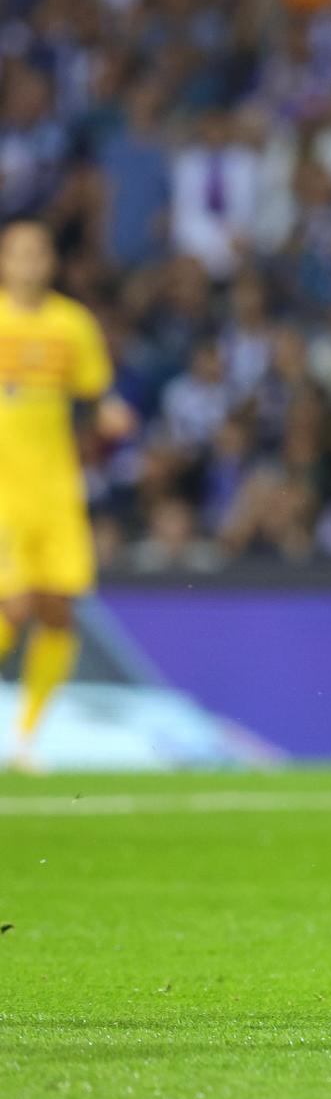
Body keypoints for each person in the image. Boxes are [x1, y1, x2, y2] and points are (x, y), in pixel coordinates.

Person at [0, 219, 135, 771]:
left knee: (58, 612)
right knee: (14, 603)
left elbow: (96, 393)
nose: (30, 261)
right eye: (19, 252)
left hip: (56, 489)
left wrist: (111, 414)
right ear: (4, 260)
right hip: (4, 488)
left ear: (51, 262)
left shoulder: (71, 324)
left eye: (39, 252)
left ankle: (26, 737)